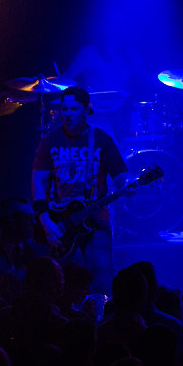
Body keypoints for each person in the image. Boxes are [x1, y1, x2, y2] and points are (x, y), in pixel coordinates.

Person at [32, 86, 129, 296]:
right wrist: (45, 220)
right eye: (64, 109)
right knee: (63, 282)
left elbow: (121, 176)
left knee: (102, 275)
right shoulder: (50, 140)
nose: (67, 113)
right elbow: (38, 180)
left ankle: (101, 321)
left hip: (96, 220)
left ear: (87, 109)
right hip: (60, 223)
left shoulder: (101, 139)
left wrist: (129, 186)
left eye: (73, 109)